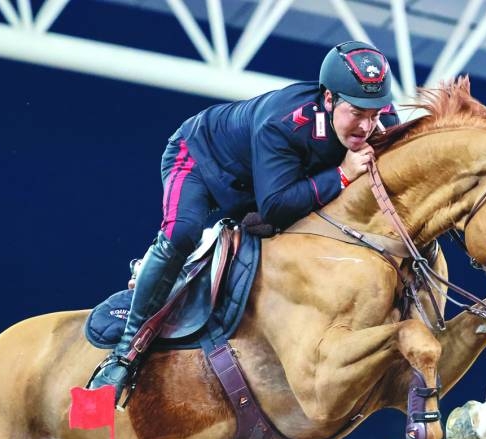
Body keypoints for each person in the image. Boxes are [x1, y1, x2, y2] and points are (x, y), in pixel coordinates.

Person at [88, 41, 400, 403]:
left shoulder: (382, 121)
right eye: (356, 112)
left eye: (375, 113)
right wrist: (343, 174)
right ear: (328, 98)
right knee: (182, 231)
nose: (367, 125)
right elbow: (277, 206)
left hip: (259, 183)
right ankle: (124, 356)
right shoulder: (283, 123)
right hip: (199, 160)